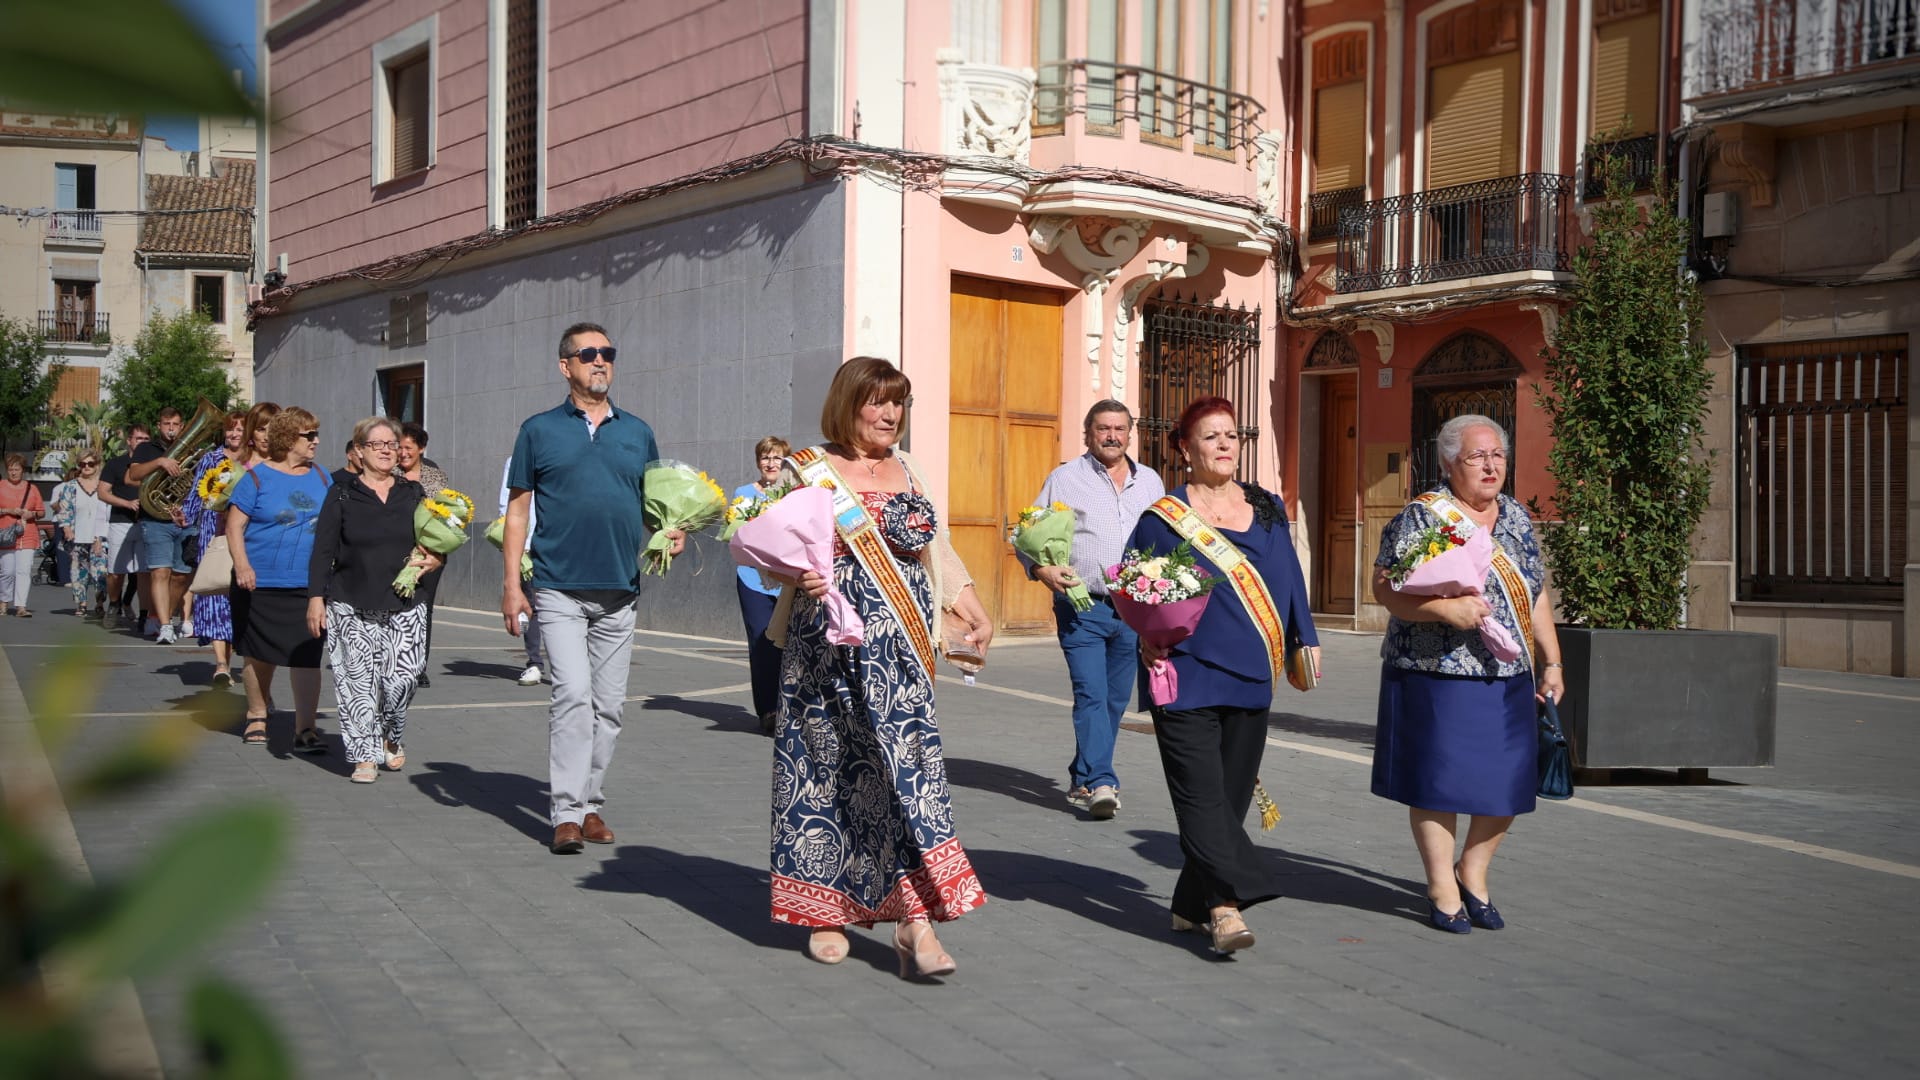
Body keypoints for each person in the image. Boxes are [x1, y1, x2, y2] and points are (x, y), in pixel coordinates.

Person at [766, 356, 993, 976]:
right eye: (877, 402)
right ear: (848, 405)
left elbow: (934, 546)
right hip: (826, 650)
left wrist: (968, 604)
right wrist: (796, 570)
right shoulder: (807, 469)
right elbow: (770, 554)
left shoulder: (910, 468)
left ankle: (915, 923)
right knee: (825, 772)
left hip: (902, 654)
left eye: (899, 402)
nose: (891, 414)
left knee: (905, 778)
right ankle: (824, 911)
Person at [1123, 396, 1320, 956]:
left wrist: (1305, 637)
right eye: (1211, 437)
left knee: (1230, 798)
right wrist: (1147, 630)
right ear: (1185, 449)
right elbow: (1134, 589)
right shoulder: (1162, 519)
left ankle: (1188, 901)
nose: (1226, 445)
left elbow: (1288, 578)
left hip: (1252, 672)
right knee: (1201, 796)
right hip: (1184, 672)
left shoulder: (1267, 507)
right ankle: (1225, 907)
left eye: (1232, 435)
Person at [1369, 414, 1564, 934]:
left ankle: (1472, 872)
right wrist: (1442, 610)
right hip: (1435, 670)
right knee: (1438, 783)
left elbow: (1535, 593)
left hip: (1509, 671)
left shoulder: (1517, 518)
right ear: (1450, 463)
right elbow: (1385, 589)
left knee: (1509, 782)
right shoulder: (1424, 517)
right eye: (1478, 456)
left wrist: (1553, 660)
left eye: (1498, 455)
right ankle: (1441, 886)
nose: (1490, 465)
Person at [500, 322, 685, 854]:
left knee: (609, 706)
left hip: (620, 588)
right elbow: (517, 511)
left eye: (607, 352)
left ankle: (590, 804)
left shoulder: (637, 431)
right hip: (558, 586)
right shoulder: (538, 430)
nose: (600, 361)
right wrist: (512, 584)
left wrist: (669, 532)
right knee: (572, 695)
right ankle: (564, 813)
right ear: (566, 366)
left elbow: (655, 504)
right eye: (588, 354)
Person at [1019, 400, 1164, 819]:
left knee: (1116, 700)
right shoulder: (1064, 479)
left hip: (1134, 610)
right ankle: (1103, 781)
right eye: (1103, 428)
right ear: (1088, 433)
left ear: (1130, 433)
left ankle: (1083, 775)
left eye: (1119, 428)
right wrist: (1041, 569)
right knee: (1091, 694)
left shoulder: (1151, 482)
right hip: (1083, 606)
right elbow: (1026, 534)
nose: (1112, 436)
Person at [308, 418, 441, 784]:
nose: (386, 449)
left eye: (391, 443)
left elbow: (434, 539)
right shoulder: (342, 493)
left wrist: (435, 558)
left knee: (404, 679)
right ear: (359, 451)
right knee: (357, 684)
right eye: (377, 444)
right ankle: (364, 756)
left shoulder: (412, 492)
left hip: (407, 600)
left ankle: (389, 735)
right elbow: (323, 550)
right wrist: (316, 598)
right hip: (350, 601)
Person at [227, 407, 331, 752]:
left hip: (307, 585)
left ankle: (306, 729)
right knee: (258, 653)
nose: (316, 441)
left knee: (307, 654)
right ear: (288, 438)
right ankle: (257, 714)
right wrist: (242, 565)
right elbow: (234, 526)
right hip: (259, 582)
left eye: (316, 434)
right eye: (309, 435)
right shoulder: (256, 477)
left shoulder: (321, 477)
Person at [181, 410, 252, 688]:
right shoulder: (213, 460)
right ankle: (221, 664)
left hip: (247, 534)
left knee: (238, 597)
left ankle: (235, 659)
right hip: (214, 531)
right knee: (215, 595)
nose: (234, 434)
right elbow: (199, 494)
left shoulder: (253, 461)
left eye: (239, 429)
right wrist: (184, 516)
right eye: (230, 429)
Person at [733, 435, 790, 733]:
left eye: (777, 458)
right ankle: (768, 709)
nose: (771, 463)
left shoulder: (793, 494)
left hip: (789, 583)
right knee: (761, 644)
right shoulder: (743, 493)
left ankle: (790, 710)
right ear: (758, 461)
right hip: (753, 579)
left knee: (789, 646)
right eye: (766, 457)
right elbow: (737, 535)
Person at [124, 407, 194, 643]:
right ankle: (165, 625)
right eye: (166, 424)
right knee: (160, 571)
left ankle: (160, 614)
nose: (171, 428)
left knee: (181, 576)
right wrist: (160, 462)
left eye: (175, 424)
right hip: (154, 518)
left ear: (182, 426)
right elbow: (133, 475)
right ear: (159, 425)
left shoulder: (191, 450)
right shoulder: (147, 449)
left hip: (184, 518)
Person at [397, 422, 450, 688]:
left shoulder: (435, 475)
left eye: (409, 447)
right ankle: (397, 661)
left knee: (423, 609)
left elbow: (445, 514)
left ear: (421, 448)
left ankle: (419, 666)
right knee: (398, 607)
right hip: (396, 552)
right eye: (400, 447)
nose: (403, 453)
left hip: (430, 553)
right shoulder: (389, 473)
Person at [497, 457, 545, 686]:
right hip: (528, 544)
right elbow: (507, 504)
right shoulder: (517, 461)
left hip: (562, 545)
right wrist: (518, 545)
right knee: (532, 605)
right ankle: (535, 662)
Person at [98, 425, 150, 630]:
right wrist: (126, 503)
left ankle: (145, 615)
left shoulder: (152, 465)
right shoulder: (116, 463)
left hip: (146, 522)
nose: (142, 442)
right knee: (115, 572)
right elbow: (102, 492)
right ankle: (113, 604)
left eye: (146, 439)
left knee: (144, 573)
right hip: (120, 521)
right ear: (129, 440)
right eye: (138, 438)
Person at [51, 452, 109, 617]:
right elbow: (65, 509)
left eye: (90, 464)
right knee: (78, 572)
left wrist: (102, 536)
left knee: (100, 572)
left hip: (98, 536)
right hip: (78, 535)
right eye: (83, 464)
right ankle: (81, 603)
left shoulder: (104, 486)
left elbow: (107, 512)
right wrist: (66, 528)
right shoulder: (71, 486)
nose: (87, 467)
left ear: (97, 465)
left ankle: (99, 603)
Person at [0, 455, 46, 617]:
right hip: (6, 535)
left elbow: (41, 512)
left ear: (22, 470)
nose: (13, 473)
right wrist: (8, 511)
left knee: (24, 571)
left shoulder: (32, 489)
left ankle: (21, 606)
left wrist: (31, 513)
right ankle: (4, 601)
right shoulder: (1, 486)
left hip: (28, 534)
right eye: (10, 469)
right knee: (8, 571)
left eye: (16, 469)